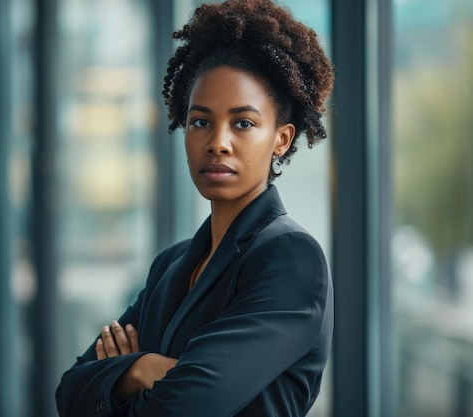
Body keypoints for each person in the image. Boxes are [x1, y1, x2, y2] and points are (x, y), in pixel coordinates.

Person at [56, 0, 334, 415]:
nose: (217, 142)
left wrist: (124, 372)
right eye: (200, 121)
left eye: (243, 123)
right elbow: (70, 392)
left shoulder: (291, 257)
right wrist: (144, 369)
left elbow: (183, 408)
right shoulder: (171, 265)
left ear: (281, 138)